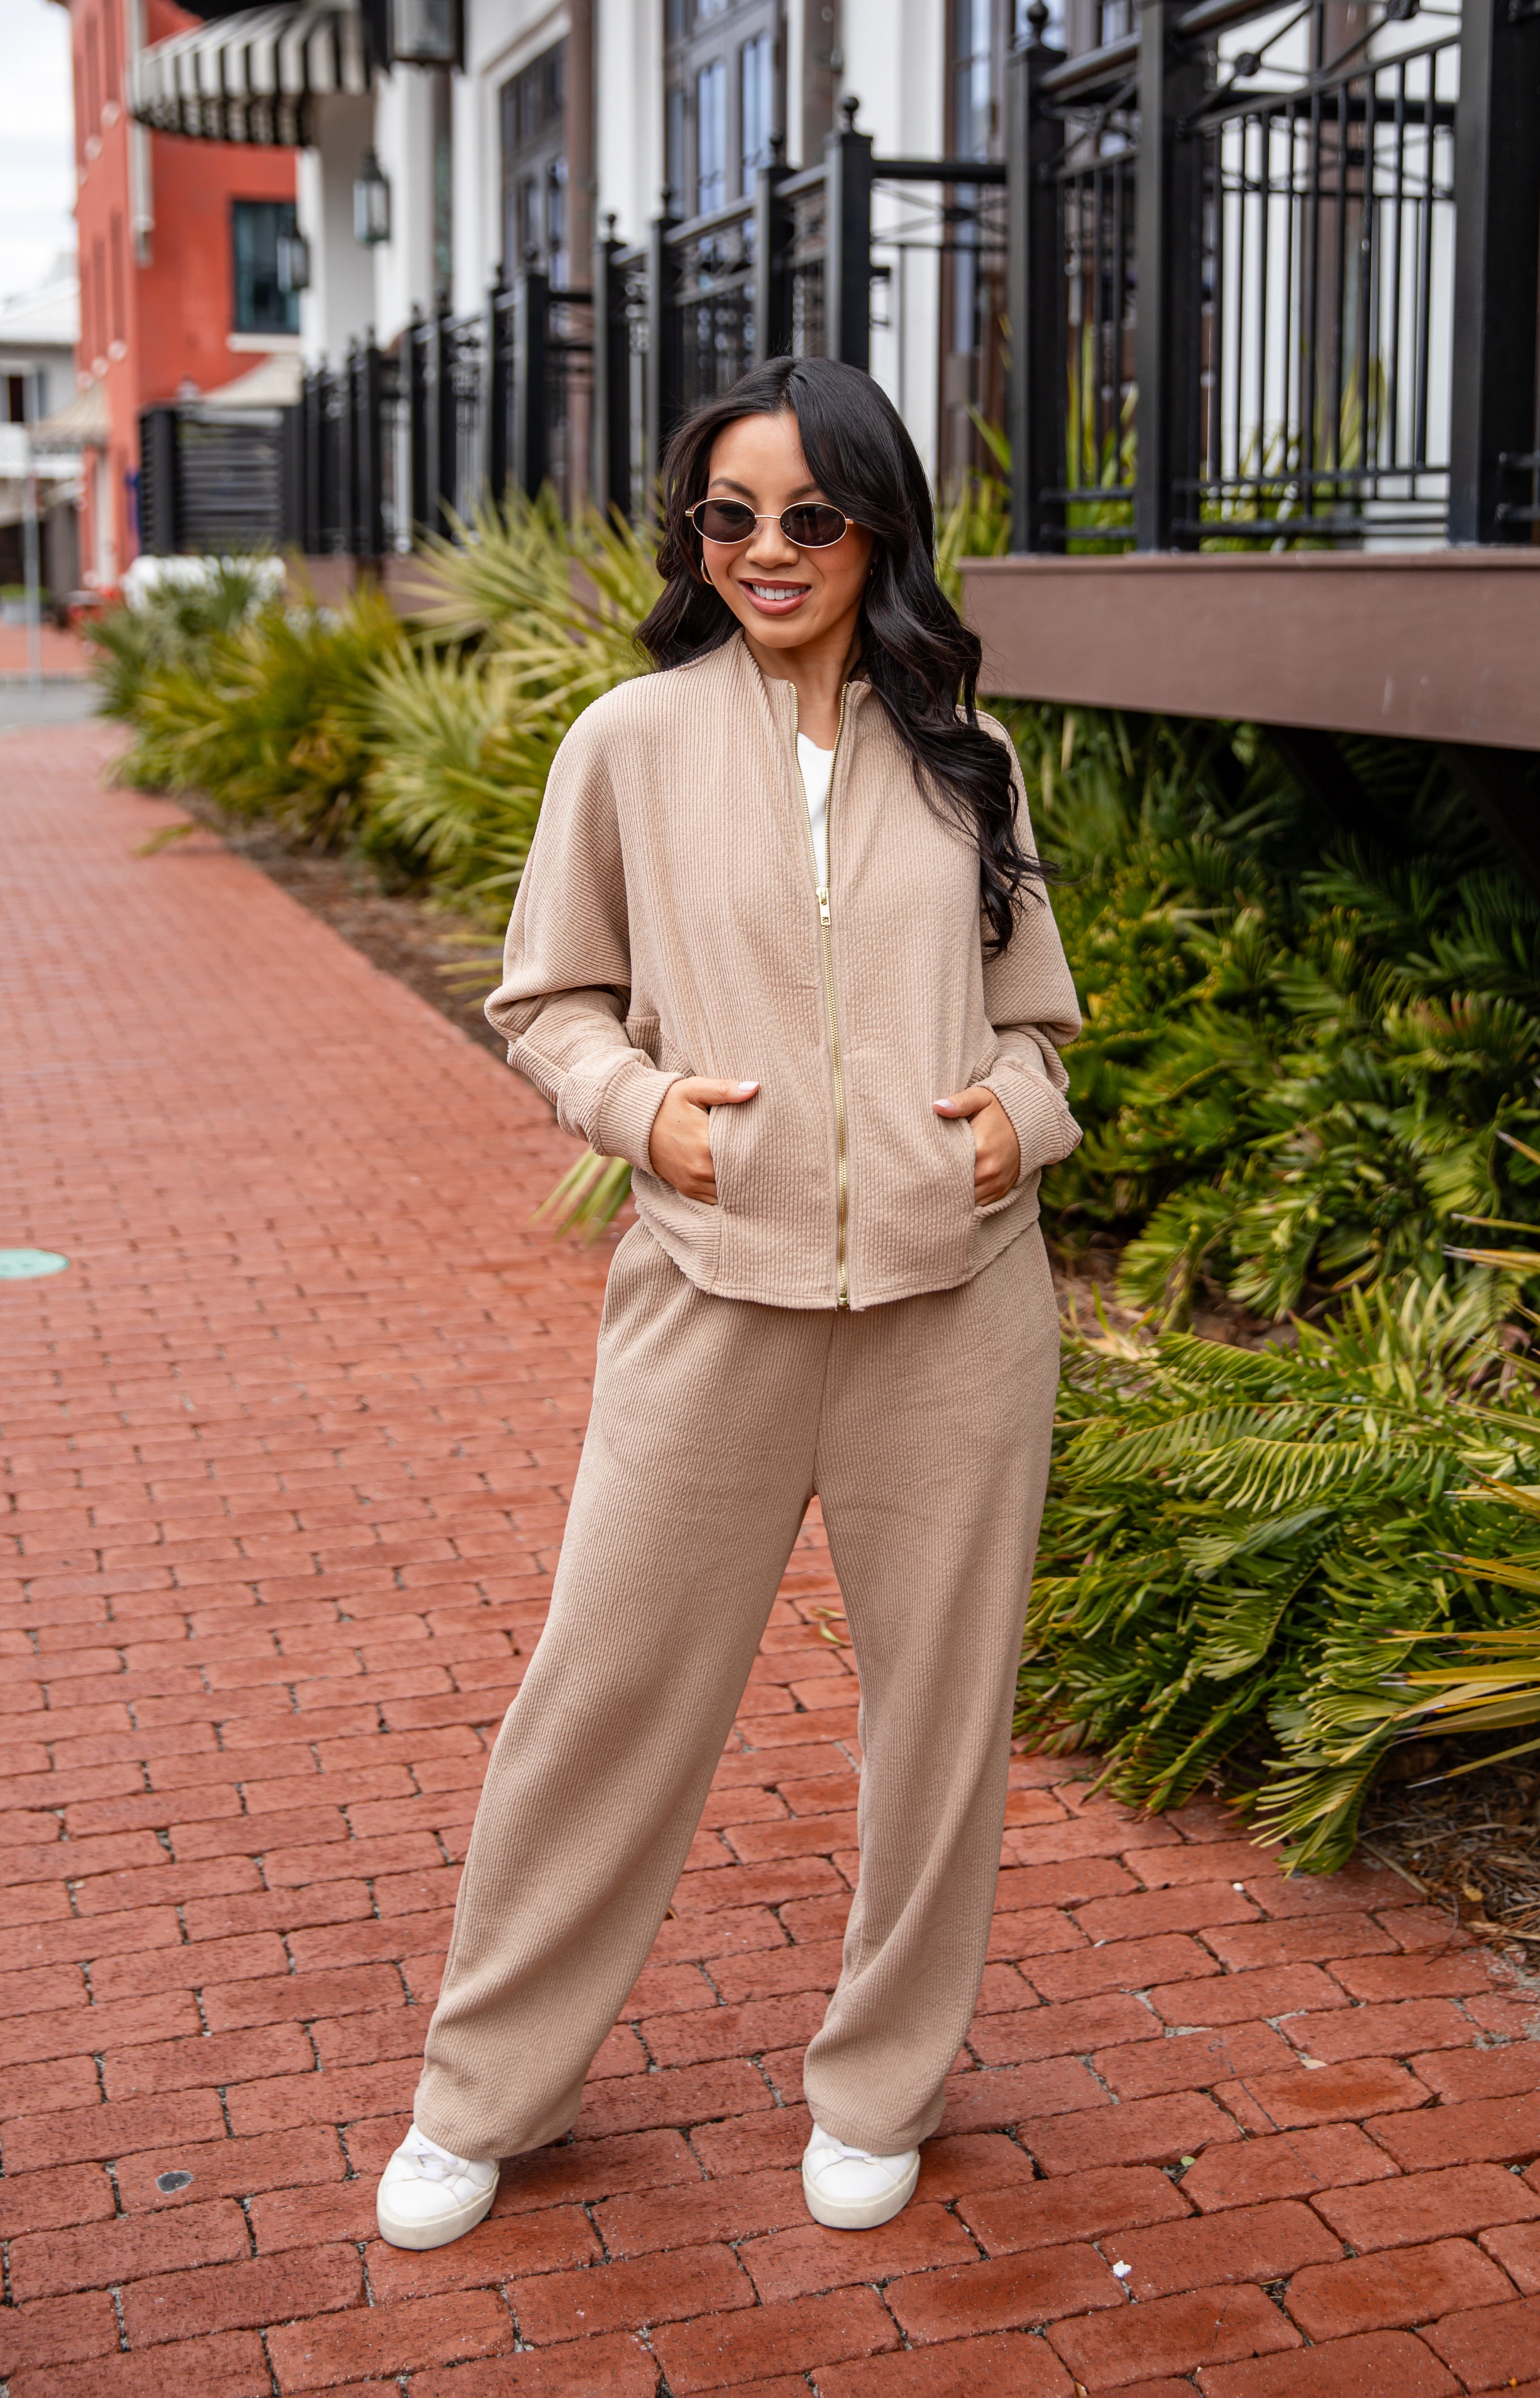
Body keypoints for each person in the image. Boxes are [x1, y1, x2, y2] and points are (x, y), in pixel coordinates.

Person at [375, 355, 1081, 2252]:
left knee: (938, 1723)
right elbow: (549, 1001)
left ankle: (881, 2087)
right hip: (712, 1296)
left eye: (810, 518)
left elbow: (1038, 1025)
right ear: (694, 537)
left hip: (958, 1309)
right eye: (729, 518)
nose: (768, 551)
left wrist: (1016, 1124)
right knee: (600, 1695)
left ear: (876, 533)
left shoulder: (965, 752)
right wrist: (645, 1114)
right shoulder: (628, 738)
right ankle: (483, 2096)